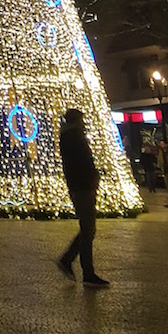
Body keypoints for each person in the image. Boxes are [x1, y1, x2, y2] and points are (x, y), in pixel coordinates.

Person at [56, 108, 109, 288]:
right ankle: (82, 269)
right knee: (88, 229)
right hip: (82, 187)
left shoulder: (70, 138)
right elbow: (82, 163)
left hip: (81, 186)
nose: (83, 122)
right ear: (76, 121)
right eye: (81, 120)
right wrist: (92, 177)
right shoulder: (74, 138)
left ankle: (75, 263)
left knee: (88, 229)